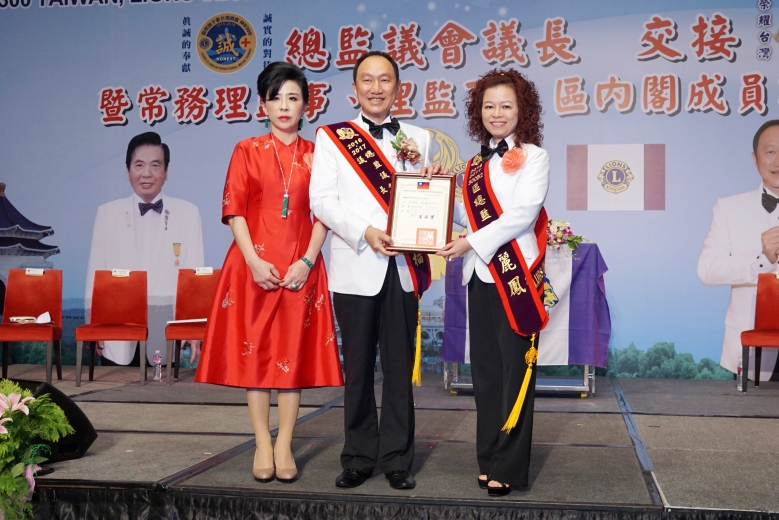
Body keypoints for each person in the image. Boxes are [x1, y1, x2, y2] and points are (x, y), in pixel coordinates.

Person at [195, 62, 343, 484]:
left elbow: (324, 213)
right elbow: (235, 210)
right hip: (253, 266)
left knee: (291, 358)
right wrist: (253, 261)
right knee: (256, 357)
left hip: (300, 267)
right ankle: (262, 441)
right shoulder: (246, 149)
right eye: (276, 98)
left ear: (307, 105)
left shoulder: (318, 153)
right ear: (262, 104)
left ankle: (285, 444)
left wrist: (308, 261)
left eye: (293, 98)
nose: (284, 106)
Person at [309, 51, 433, 491]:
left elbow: (423, 200)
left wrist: (432, 186)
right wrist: (365, 231)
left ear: (398, 88)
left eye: (384, 80)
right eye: (367, 80)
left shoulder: (419, 138)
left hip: (402, 269)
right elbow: (322, 201)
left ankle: (397, 459)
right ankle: (359, 457)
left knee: (399, 369)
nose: (376, 88)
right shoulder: (332, 137)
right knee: (358, 368)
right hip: (355, 263)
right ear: (354, 88)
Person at [431, 69, 550, 495]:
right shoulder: (473, 165)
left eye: (506, 105)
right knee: (485, 374)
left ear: (522, 110)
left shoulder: (535, 157)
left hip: (515, 276)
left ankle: (509, 466)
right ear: (477, 112)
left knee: (516, 374)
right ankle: (487, 458)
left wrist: (469, 242)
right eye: (488, 106)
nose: (497, 113)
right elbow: (465, 216)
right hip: (480, 276)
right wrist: (436, 191)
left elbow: (522, 215)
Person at [85, 131, 204, 367]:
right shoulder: (107, 214)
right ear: (127, 171)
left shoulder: (188, 213)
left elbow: (194, 276)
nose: (147, 173)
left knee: (163, 390)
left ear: (166, 172)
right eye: (139, 165)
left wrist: (194, 327)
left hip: (166, 331)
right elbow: (95, 274)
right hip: (117, 333)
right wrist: (92, 324)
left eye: (155, 165)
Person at [698, 119, 779, 382]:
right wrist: (762, 259)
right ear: (755, 159)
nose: (778, 160)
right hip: (753, 347)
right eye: (771, 151)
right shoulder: (729, 208)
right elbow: (707, 270)